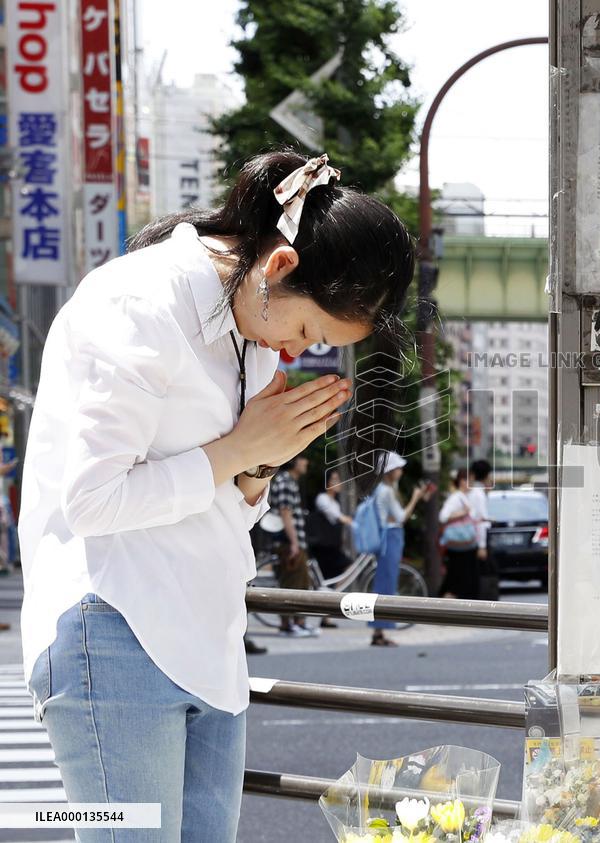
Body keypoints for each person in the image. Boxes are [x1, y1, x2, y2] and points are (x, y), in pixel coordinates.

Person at [17, 150, 414, 841]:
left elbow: (230, 499)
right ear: (281, 267)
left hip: (209, 639)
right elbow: (92, 498)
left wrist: (259, 461)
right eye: (307, 332)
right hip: (111, 629)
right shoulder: (139, 301)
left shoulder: (251, 328)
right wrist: (237, 450)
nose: (296, 351)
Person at [370, 452, 429, 646]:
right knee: (386, 586)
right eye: (397, 468)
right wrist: (415, 498)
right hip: (390, 537)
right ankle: (379, 632)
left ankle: (380, 631)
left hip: (388, 537)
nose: (401, 471)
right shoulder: (386, 491)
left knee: (385, 584)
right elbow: (401, 517)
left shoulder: (384, 488)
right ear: (390, 471)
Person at [268, 456, 316, 637]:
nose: (306, 463)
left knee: (300, 583)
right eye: (303, 459)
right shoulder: (286, 481)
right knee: (292, 584)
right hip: (288, 543)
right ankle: (288, 625)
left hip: (292, 541)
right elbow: (285, 513)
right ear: (294, 462)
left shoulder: (288, 481)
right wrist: (294, 542)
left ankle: (298, 623)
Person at [310, 469, 353, 629]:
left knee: (332, 579)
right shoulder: (323, 498)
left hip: (332, 546)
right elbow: (334, 515)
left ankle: (326, 615)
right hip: (323, 546)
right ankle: (326, 614)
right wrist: (347, 520)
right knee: (331, 577)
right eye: (335, 479)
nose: (338, 482)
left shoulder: (335, 502)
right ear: (327, 482)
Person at [439, 469, 480, 600]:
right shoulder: (456, 498)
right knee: (457, 578)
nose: (472, 484)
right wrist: (462, 513)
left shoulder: (463, 496)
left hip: (464, 547)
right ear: (462, 481)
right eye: (470, 480)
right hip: (459, 548)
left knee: (459, 577)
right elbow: (443, 517)